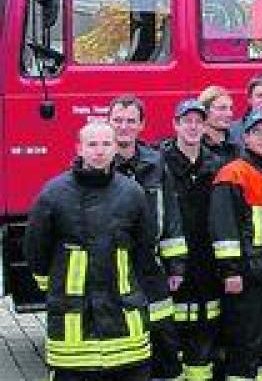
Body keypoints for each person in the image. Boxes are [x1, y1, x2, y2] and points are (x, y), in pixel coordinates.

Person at [26, 122, 163, 381]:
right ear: (79, 148)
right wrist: (56, 287)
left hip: (124, 319)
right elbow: (36, 250)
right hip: (73, 323)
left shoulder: (132, 192)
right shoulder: (53, 193)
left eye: (105, 144)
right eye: (92, 144)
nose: (99, 151)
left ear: (115, 149)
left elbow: (145, 248)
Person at [108, 96, 185, 379]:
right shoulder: (99, 165)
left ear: (142, 125)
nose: (123, 127)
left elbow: (171, 215)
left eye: (130, 121)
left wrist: (176, 263)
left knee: (164, 339)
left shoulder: (156, 164)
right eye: (118, 120)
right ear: (109, 122)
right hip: (114, 267)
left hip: (152, 267)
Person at [210, 111, 262, 381]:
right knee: (245, 346)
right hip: (247, 278)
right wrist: (231, 271)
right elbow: (224, 229)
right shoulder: (233, 173)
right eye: (258, 132)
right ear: (245, 137)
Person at [161, 99, 225, 380]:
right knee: (169, 339)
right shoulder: (159, 164)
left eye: (198, 121)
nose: (193, 127)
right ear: (176, 124)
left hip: (207, 266)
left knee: (204, 337)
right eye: (187, 121)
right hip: (173, 266)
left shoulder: (217, 165)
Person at [199, 85, 240, 165]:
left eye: (230, 108)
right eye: (222, 108)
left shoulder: (236, 145)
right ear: (205, 111)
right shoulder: (194, 145)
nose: (229, 114)